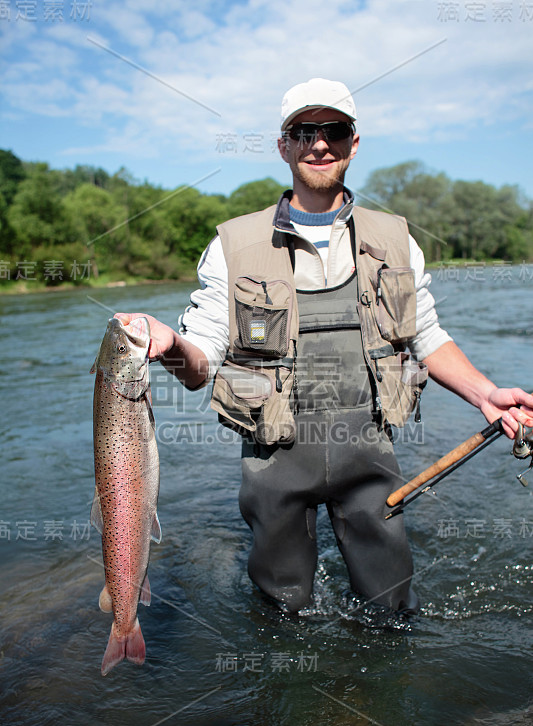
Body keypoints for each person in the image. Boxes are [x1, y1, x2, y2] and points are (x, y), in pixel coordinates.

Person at [117, 78, 533, 615]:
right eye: (304, 131)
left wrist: (486, 395)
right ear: (284, 145)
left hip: (370, 462)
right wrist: (171, 343)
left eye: (333, 130)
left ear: (353, 143)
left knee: (392, 615)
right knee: (280, 623)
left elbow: (426, 335)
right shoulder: (232, 245)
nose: (319, 143)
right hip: (273, 466)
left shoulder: (396, 238)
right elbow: (199, 364)